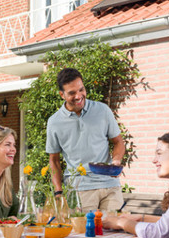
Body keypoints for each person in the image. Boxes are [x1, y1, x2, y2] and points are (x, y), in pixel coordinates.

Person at [46, 68, 125, 211]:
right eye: (72, 93)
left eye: (81, 90)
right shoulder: (54, 122)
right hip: (79, 189)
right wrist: (58, 192)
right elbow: (54, 160)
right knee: (83, 233)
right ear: (62, 95)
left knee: (116, 230)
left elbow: (118, 141)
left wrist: (116, 161)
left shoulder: (103, 110)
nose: (78, 96)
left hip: (110, 186)